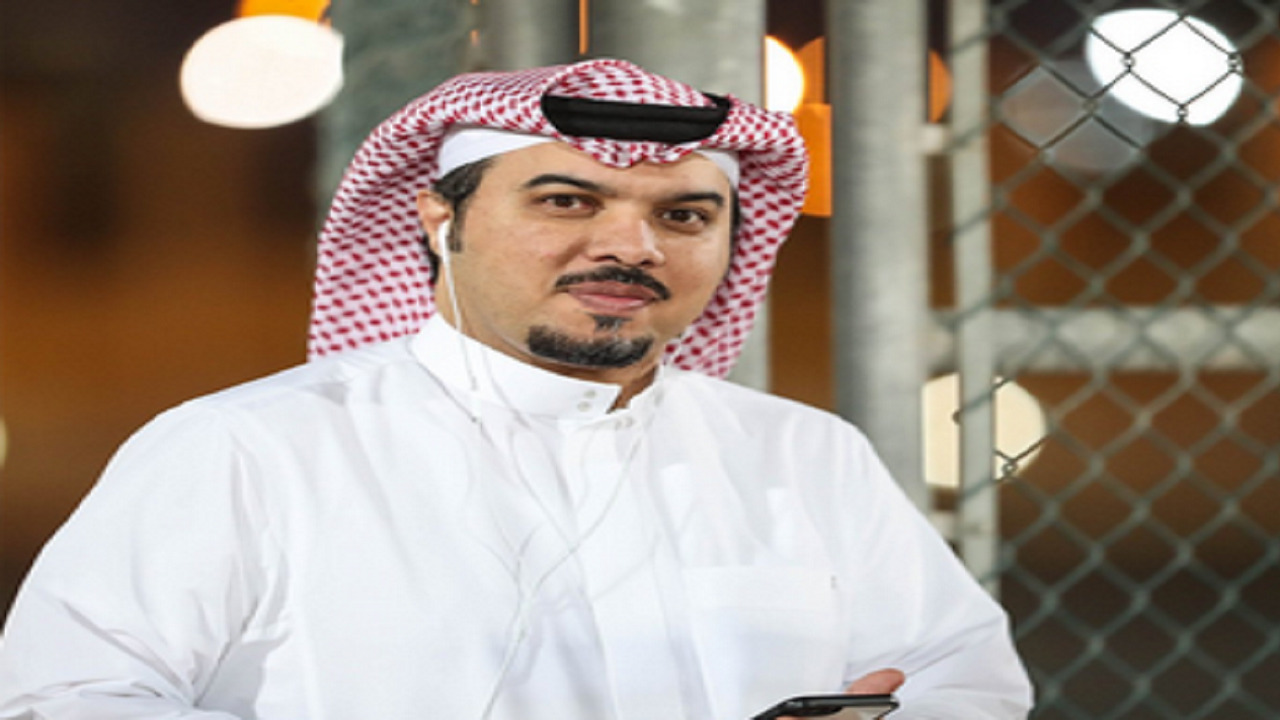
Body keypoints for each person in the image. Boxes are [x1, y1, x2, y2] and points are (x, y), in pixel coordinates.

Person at [0, 59, 1033, 719]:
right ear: (439, 220)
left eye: (682, 216)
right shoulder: (249, 451)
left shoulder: (802, 455)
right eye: (566, 201)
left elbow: (963, 680)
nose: (629, 245)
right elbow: (65, 697)